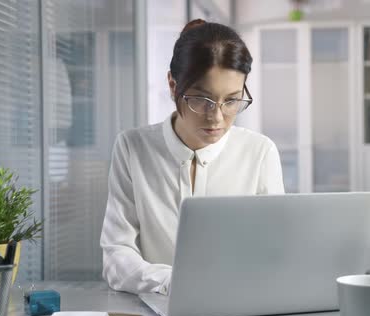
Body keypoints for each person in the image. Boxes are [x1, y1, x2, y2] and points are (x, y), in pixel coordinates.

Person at [100, 19, 285, 295]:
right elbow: (116, 257)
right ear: (173, 86)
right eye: (202, 100)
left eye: (232, 100)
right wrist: (170, 282)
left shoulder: (260, 152)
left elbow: (276, 251)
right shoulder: (133, 147)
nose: (217, 117)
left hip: (239, 305)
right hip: (156, 310)